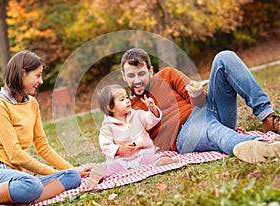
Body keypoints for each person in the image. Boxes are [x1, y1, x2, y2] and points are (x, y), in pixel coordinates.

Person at [120, 48, 280, 164]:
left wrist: (195, 94)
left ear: (150, 70)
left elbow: (201, 101)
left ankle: (267, 117)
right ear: (123, 76)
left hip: (208, 111)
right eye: (131, 76)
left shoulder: (167, 75)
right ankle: (258, 146)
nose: (137, 80)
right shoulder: (127, 107)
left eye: (141, 74)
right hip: (185, 133)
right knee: (212, 130)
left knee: (224, 57)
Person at [0, 50, 91, 205]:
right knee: (31, 184)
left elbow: (43, 147)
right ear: (22, 74)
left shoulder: (31, 103)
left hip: (12, 176)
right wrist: (56, 173)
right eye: (38, 75)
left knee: (72, 177)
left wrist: (71, 170)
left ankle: (15, 199)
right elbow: (15, 155)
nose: (41, 81)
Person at [87, 84, 179, 188]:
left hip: (141, 154)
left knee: (150, 158)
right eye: (122, 99)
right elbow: (105, 145)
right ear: (111, 108)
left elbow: (151, 119)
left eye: (127, 97)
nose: (127, 100)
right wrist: (120, 149)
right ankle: (99, 175)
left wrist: (152, 108)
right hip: (121, 160)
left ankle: (161, 161)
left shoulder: (137, 114)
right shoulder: (107, 126)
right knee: (113, 168)